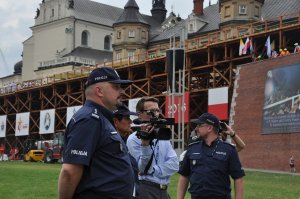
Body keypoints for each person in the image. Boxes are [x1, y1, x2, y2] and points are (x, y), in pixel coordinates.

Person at [58, 67, 134, 199]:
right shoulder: (89, 119)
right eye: (116, 87)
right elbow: (70, 171)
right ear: (99, 91)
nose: (122, 91)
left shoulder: (100, 118)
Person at [177, 113, 245, 199]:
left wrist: (232, 134)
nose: (197, 128)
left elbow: (238, 178)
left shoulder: (228, 149)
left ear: (209, 128)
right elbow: (184, 176)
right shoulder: (192, 148)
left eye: (200, 125)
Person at [126, 97, 179, 199]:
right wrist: (145, 145)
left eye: (157, 110)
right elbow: (141, 168)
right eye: (151, 111)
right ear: (139, 114)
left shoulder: (163, 135)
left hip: (164, 190)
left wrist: (154, 170)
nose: (156, 114)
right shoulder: (133, 139)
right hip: (145, 188)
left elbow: (175, 165)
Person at [113, 104, 139, 198]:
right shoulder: (111, 144)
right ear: (116, 121)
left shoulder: (123, 141)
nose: (131, 121)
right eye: (127, 118)